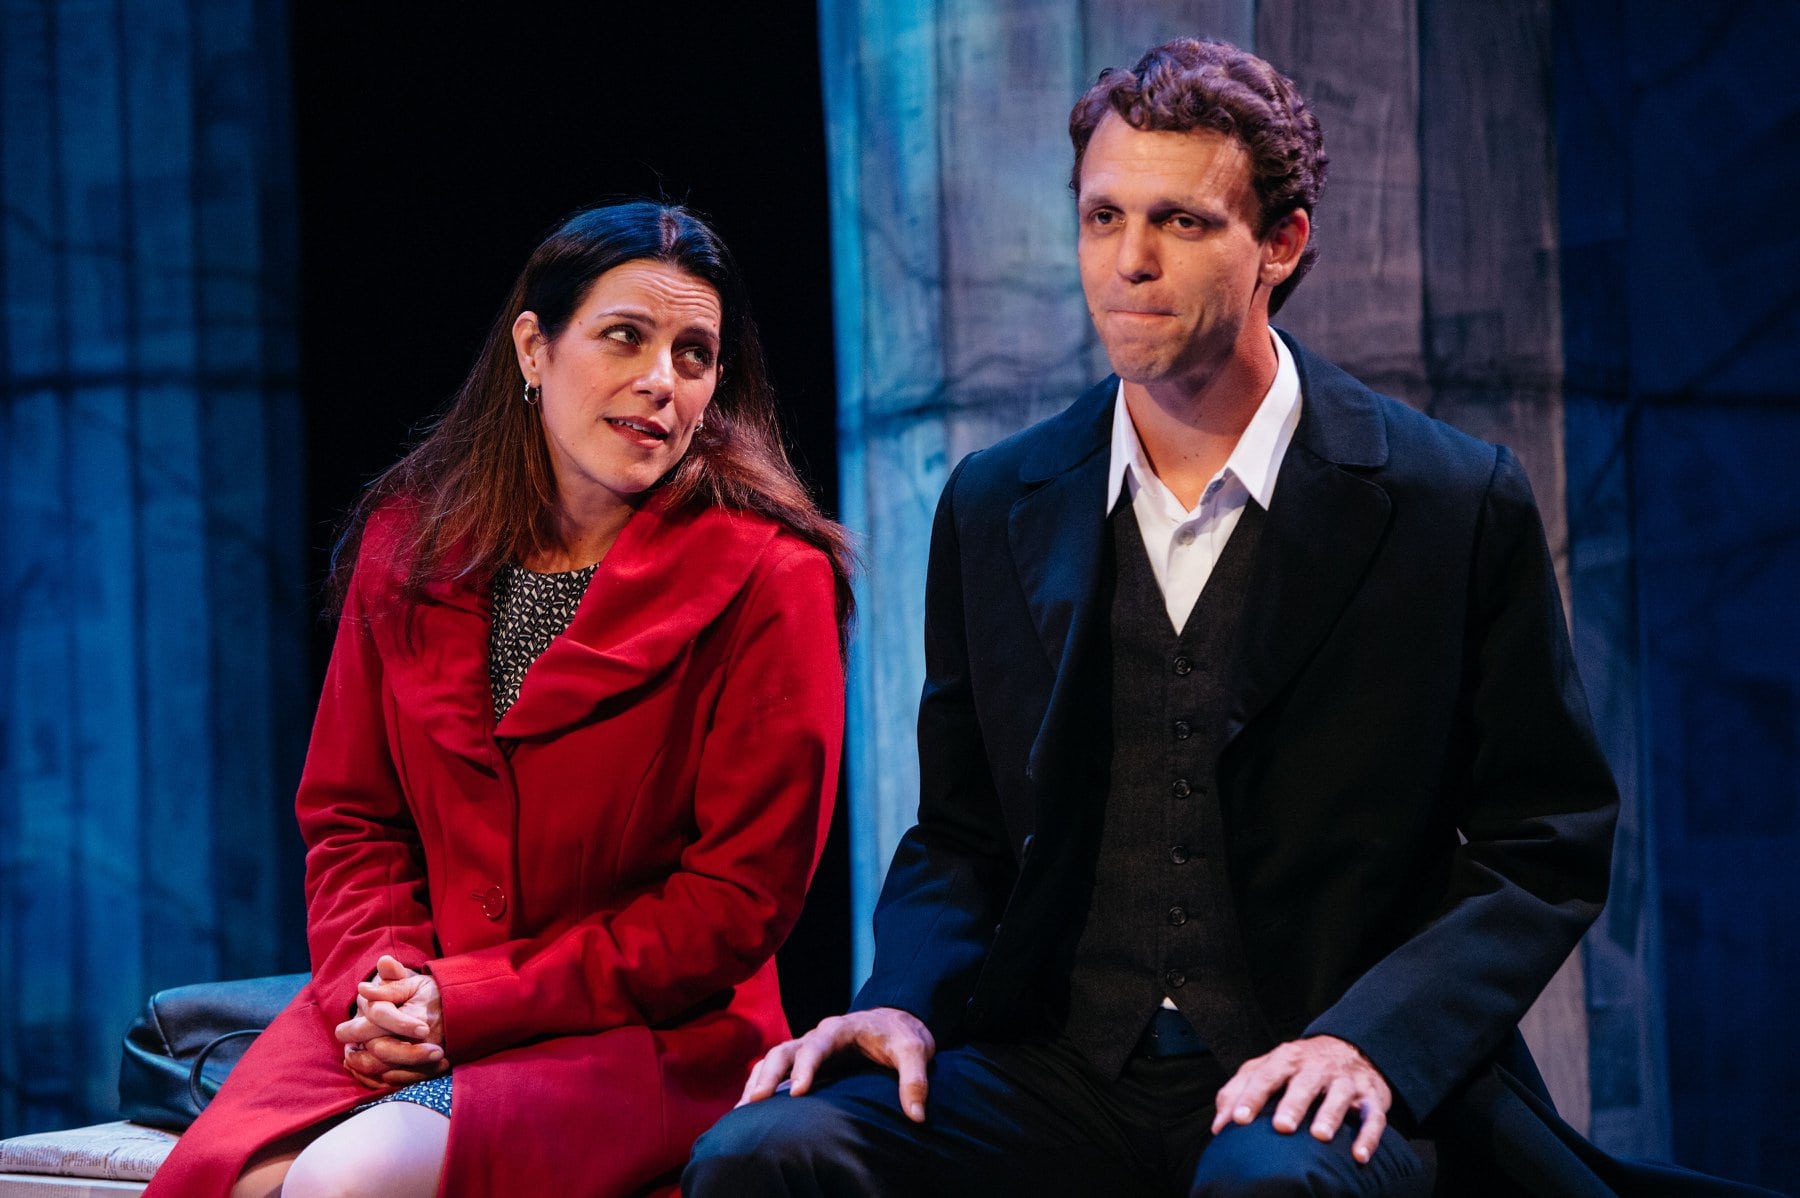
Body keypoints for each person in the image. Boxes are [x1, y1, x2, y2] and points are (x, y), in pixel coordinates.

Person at [681, 38, 1699, 1196]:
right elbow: (959, 836)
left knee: (1268, 1186)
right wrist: (902, 1000)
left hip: (1317, 1061)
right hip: (1060, 1067)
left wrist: (1374, 1041)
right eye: (1102, 217)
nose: (1130, 261)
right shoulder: (997, 500)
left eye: (1180, 221)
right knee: (763, 1156)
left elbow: (1543, 840)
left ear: (1282, 242)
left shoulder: (1448, 500)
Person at [144, 200, 852, 1198]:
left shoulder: (772, 577)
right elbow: (353, 820)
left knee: (346, 1182)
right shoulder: (410, 544)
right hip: (410, 1009)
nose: (661, 379)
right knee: (240, 1181)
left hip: (642, 1036)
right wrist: (383, 986)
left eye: (694, 354)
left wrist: (468, 1000)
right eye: (625, 336)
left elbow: (731, 905)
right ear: (533, 348)